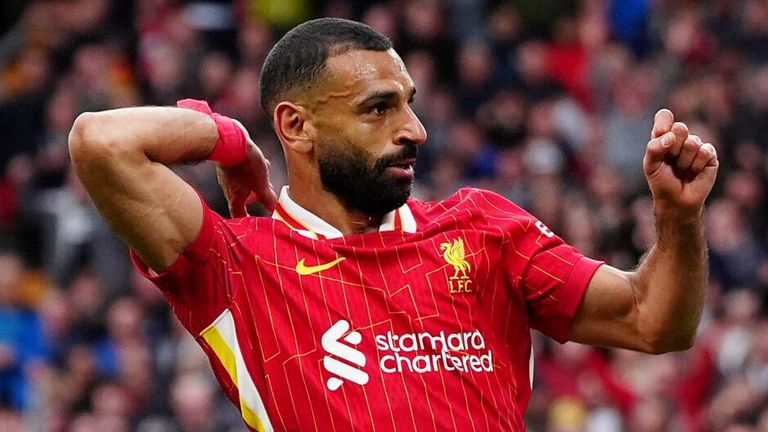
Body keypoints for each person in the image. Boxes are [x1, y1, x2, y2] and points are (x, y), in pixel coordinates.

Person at [68, 17, 718, 432]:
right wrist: (234, 142)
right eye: (378, 109)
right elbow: (102, 142)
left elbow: (654, 321)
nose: (415, 131)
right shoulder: (236, 264)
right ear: (297, 126)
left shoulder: (485, 228)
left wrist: (678, 218)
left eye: (409, 104)